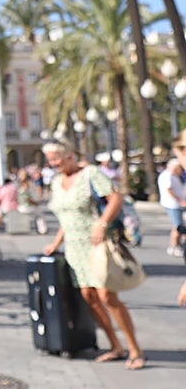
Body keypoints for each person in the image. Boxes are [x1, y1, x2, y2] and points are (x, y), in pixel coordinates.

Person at [40, 142, 145, 370]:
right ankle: (115, 345)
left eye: (56, 158)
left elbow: (115, 198)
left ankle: (135, 349)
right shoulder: (57, 183)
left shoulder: (90, 174)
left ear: (69, 155)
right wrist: (56, 243)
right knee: (90, 298)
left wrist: (102, 223)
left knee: (108, 296)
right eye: (50, 160)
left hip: (97, 244)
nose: (53, 164)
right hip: (74, 249)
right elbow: (66, 219)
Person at [156, 133, 186, 257]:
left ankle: (175, 246)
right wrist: (180, 200)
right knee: (177, 226)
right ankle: (174, 246)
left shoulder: (175, 176)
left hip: (176, 203)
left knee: (178, 226)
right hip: (173, 204)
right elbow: (169, 190)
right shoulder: (167, 176)